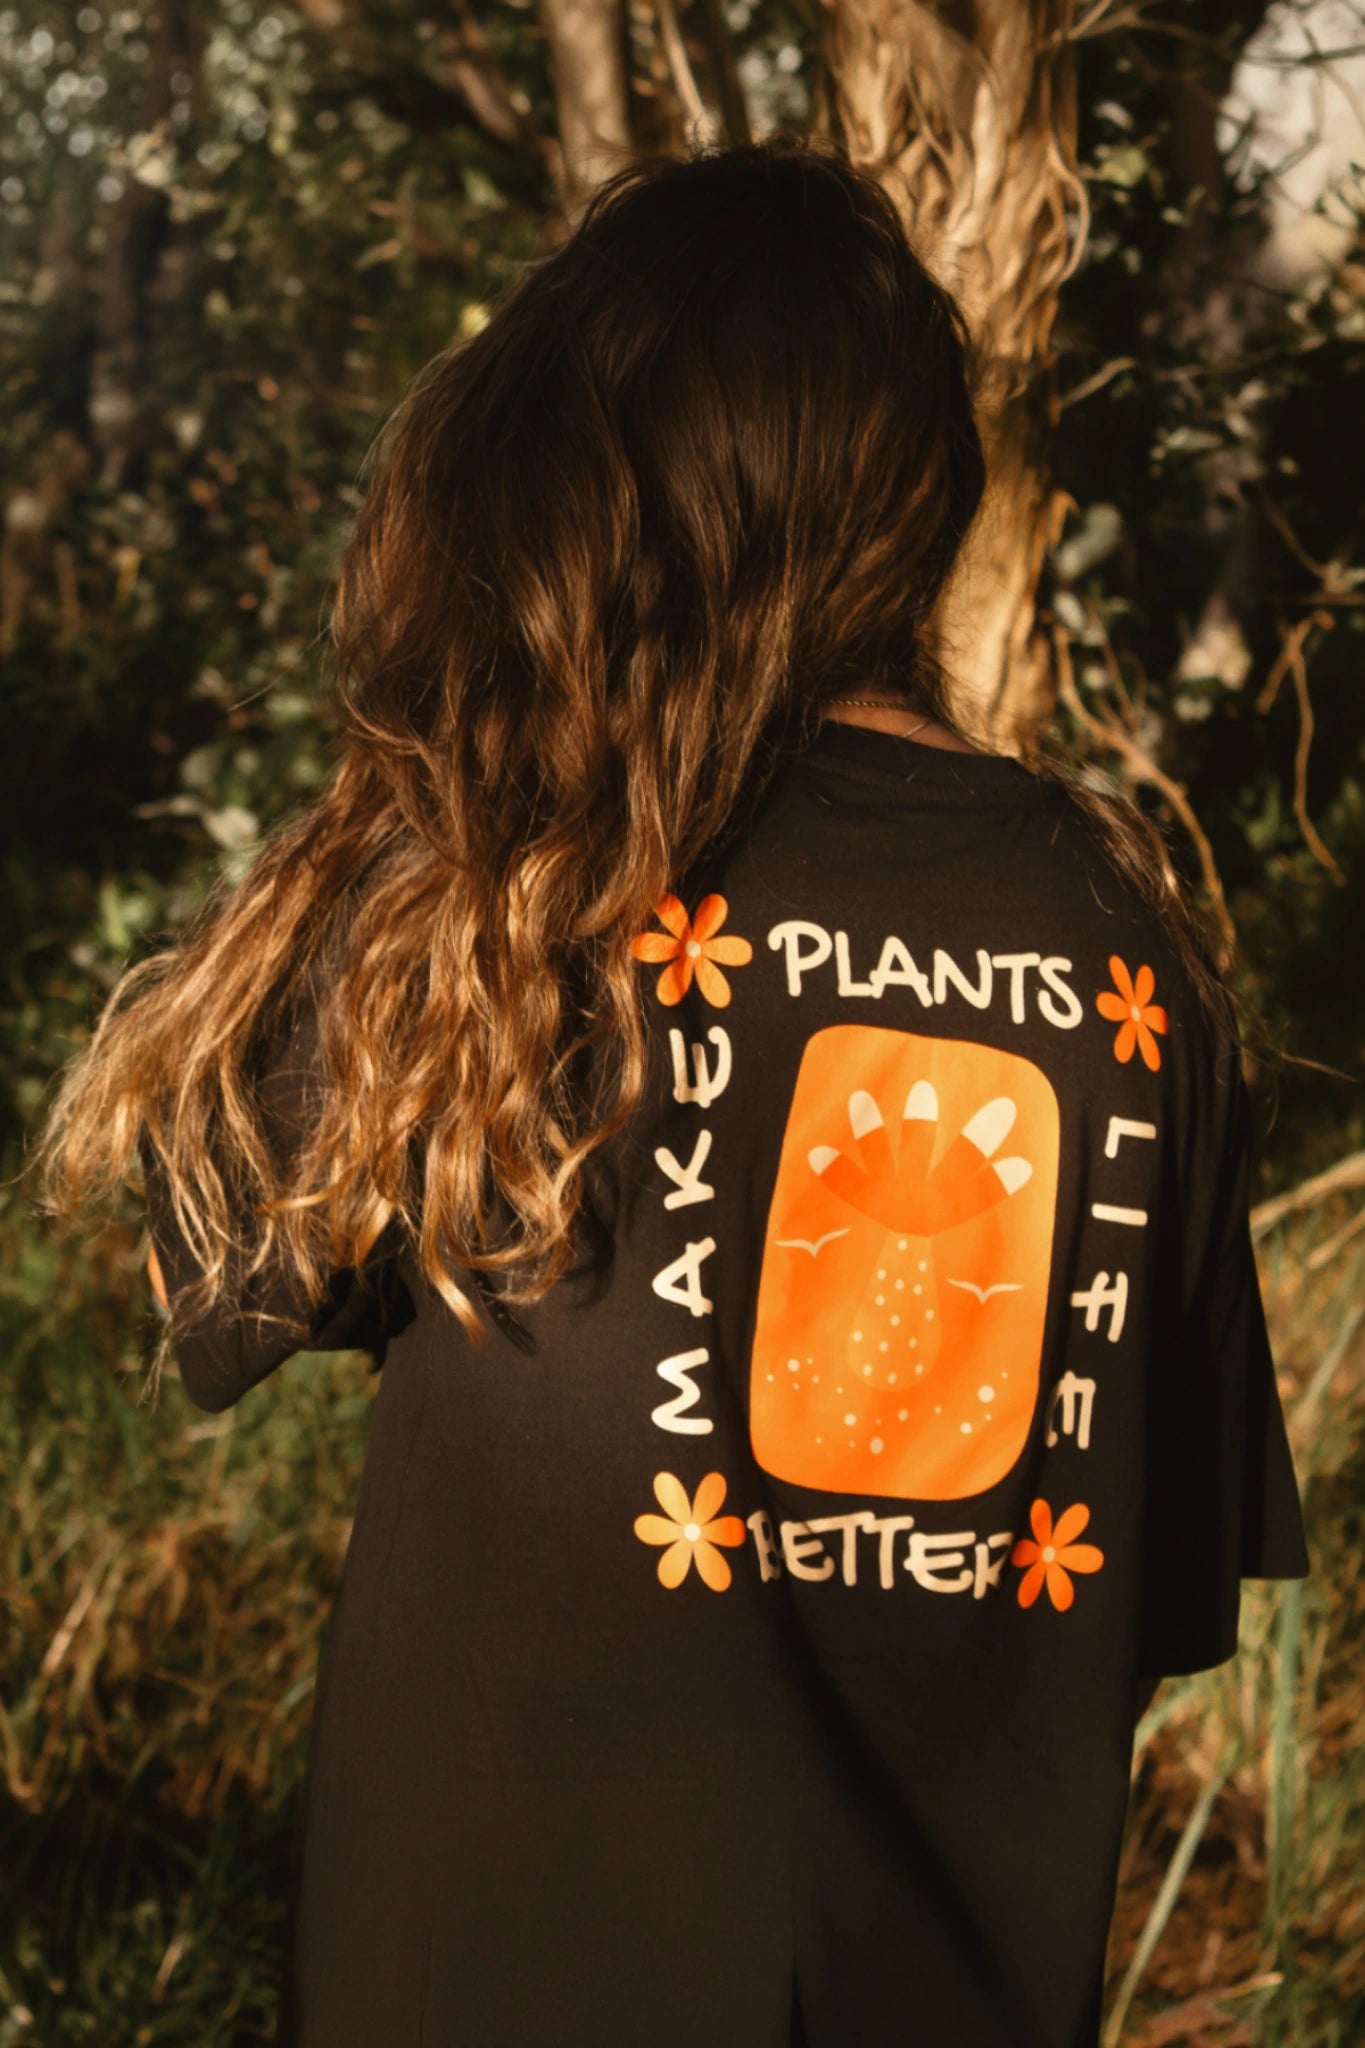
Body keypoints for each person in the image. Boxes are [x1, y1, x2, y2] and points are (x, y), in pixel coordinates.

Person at [34, 133, 1310, 2048]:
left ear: (587, 485)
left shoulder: (503, 890)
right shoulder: (1135, 966)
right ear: (910, 501)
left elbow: (204, 1258)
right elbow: (1145, 1603)